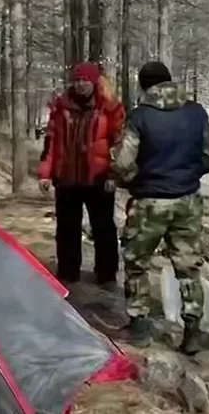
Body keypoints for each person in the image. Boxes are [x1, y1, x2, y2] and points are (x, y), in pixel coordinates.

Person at [112, 60, 209, 351]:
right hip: (188, 201)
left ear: (144, 85)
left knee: (137, 263)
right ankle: (192, 332)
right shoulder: (196, 112)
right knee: (189, 268)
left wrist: (133, 180)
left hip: (149, 202)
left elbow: (123, 162)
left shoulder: (140, 116)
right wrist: (189, 174)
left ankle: (139, 327)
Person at [37, 62, 125, 288]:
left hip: (98, 178)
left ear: (94, 81)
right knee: (67, 228)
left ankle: (106, 275)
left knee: (103, 228)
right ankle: (68, 273)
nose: (80, 84)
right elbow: (51, 142)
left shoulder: (109, 107)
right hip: (66, 177)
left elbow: (119, 144)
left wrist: (113, 175)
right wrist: (45, 173)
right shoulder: (61, 107)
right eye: (77, 80)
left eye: (85, 80)